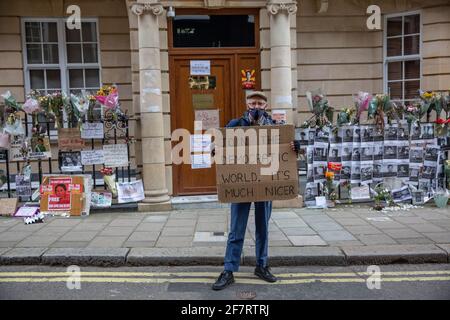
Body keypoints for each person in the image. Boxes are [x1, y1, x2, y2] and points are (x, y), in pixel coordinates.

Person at [212, 91, 300, 291]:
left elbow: (288, 149)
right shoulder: (235, 125)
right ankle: (229, 269)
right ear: (247, 104)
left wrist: (296, 146)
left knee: (263, 228)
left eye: (260, 103)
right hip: (241, 185)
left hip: (266, 185)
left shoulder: (276, 128)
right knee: (236, 229)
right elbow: (218, 145)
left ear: (265, 106)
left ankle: (261, 265)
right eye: (253, 103)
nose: (257, 107)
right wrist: (215, 149)